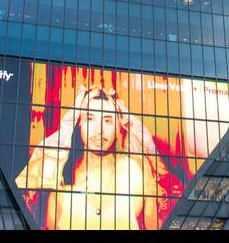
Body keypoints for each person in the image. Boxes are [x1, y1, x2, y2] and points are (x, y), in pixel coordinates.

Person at [16, 85, 175, 229]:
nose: (99, 130)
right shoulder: (60, 181)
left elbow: (163, 216)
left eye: (107, 120)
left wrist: (130, 121)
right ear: (78, 124)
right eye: (90, 119)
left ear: (118, 124)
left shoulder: (136, 172)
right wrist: (67, 125)